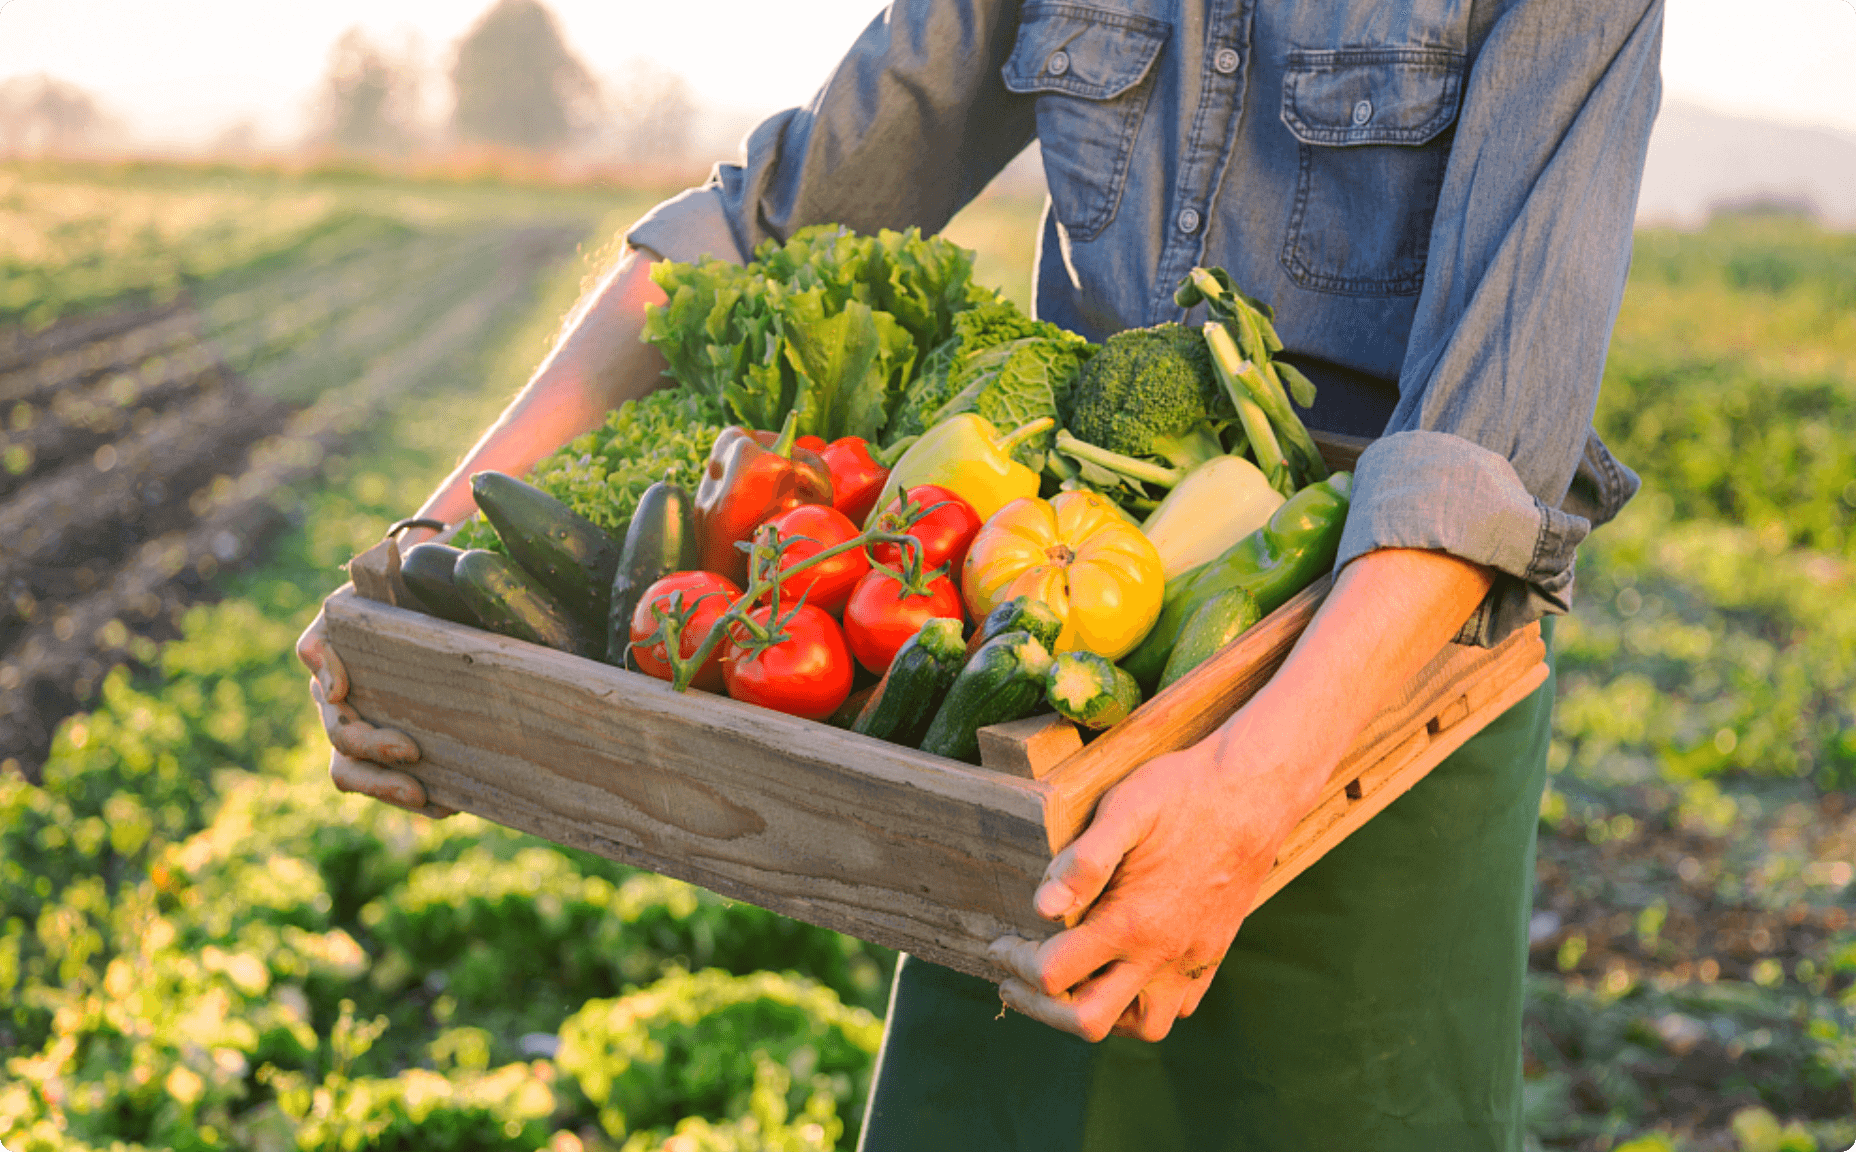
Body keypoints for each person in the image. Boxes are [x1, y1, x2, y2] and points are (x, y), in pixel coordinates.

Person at [297, 0, 1661, 1144]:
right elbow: (772, 219)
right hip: (1053, 697)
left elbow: (1488, 441)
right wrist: (421, 553)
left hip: (1375, 698)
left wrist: (1251, 798)